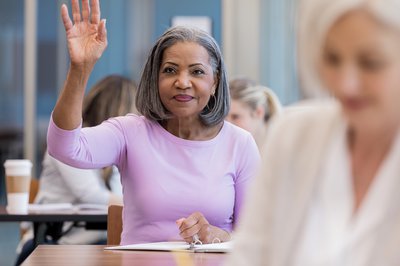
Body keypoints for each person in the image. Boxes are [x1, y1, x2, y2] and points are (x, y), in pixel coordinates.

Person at [48, 0, 259, 246]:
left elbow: (255, 237)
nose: (182, 82)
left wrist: (222, 236)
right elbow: (64, 147)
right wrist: (80, 68)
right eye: (169, 70)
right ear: (154, 79)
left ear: (215, 82)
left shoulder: (240, 144)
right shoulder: (128, 132)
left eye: (197, 72)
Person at [226, 0, 400, 265]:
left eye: (371, 63)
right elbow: (249, 256)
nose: (346, 84)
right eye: (332, 59)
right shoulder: (294, 136)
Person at [15, 75, 136, 265]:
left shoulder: (116, 146)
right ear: (120, 111)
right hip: (54, 242)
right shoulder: (70, 142)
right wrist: (142, 203)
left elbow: (118, 194)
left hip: (95, 244)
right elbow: (92, 195)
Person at [227, 78, 282, 148]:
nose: (227, 124)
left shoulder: (286, 149)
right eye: (224, 118)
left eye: (235, 117)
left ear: (259, 112)